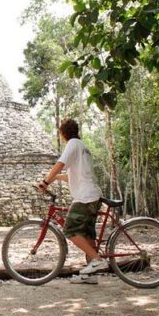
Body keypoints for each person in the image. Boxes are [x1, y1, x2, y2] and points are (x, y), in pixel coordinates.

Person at [38, 118, 108, 284]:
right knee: (87, 235)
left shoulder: (72, 144)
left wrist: (46, 181)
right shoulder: (83, 147)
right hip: (93, 195)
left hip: (85, 197)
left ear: (63, 134)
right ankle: (89, 275)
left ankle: (98, 260)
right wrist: (53, 178)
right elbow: (72, 175)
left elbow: (60, 164)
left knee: (69, 230)